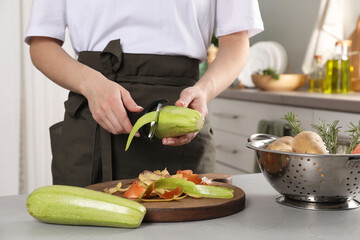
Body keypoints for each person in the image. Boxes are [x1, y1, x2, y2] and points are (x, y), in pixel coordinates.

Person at [25, 0, 264, 187]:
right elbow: (41, 43)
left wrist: (204, 90)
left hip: (179, 118)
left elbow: (236, 41)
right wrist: (91, 84)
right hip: (93, 119)